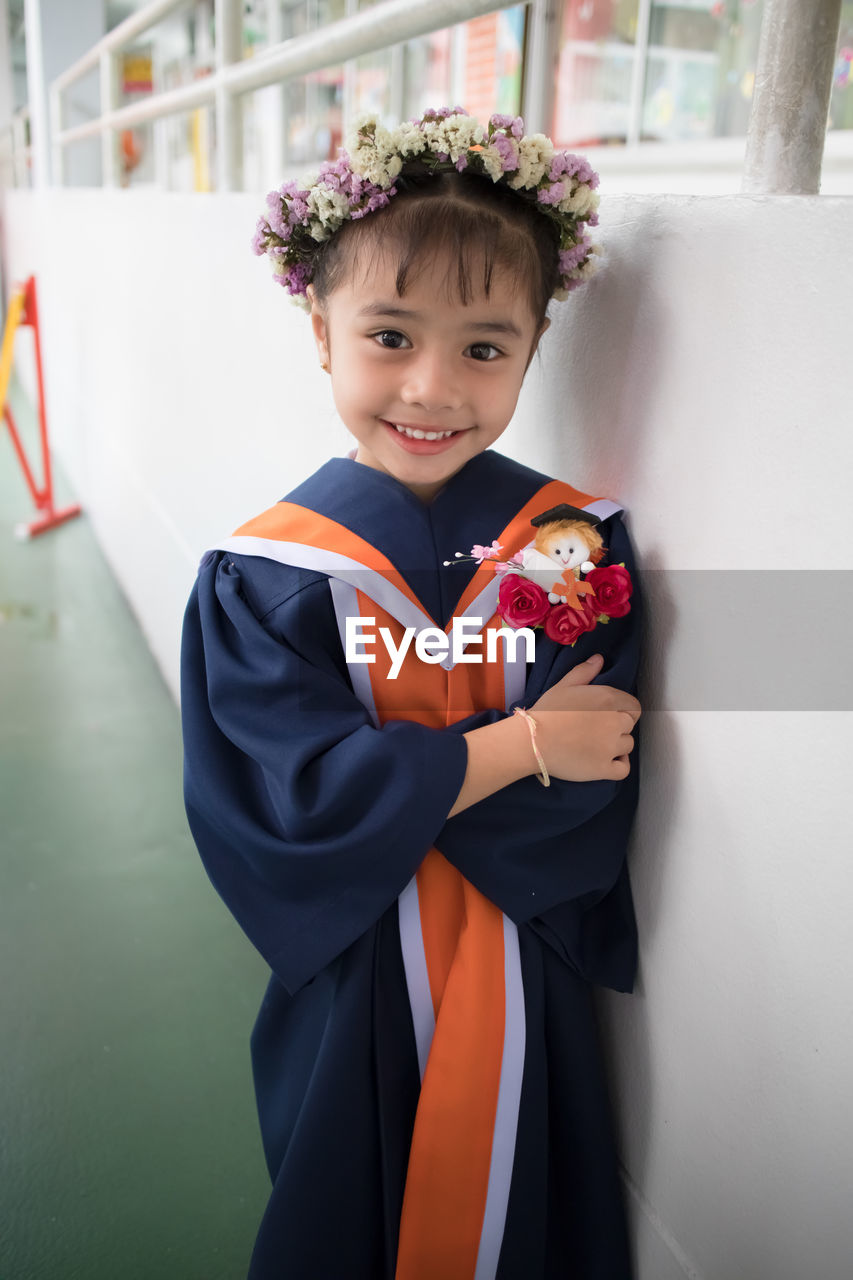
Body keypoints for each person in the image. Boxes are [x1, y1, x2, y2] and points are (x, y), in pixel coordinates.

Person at [180, 107, 643, 1280]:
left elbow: (598, 767)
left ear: (536, 346)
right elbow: (292, 806)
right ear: (319, 326)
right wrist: (514, 743)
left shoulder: (563, 545)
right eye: (389, 334)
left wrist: (419, 784)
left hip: (515, 956)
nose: (432, 388)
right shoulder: (268, 571)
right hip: (357, 968)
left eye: (485, 348)